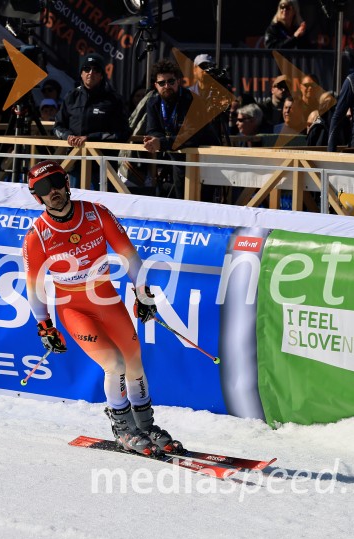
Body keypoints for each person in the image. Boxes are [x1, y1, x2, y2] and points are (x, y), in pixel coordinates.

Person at [21, 160, 181, 456]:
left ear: (67, 183)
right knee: (115, 365)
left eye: (56, 182)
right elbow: (35, 287)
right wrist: (44, 325)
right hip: (74, 309)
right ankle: (123, 429)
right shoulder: (37, 235)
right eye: (44, 188)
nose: (53, 191)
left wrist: (143, 293)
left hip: (107, 300)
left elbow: (129, 255)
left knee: (135, 364)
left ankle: (145, 426)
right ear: (37, 196)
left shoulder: (96, 213)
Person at [143, 58, 220, 197]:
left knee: (203, 204)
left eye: (171, 81)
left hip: (203, 159)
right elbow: (152, 130)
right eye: (162, 83)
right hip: (178, 156)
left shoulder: (193, 100)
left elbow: (192, 135)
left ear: (178, 81)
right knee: (180, 202)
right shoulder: (153, 102)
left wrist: (162, 143)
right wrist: (157, 141)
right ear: (156, 85)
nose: (167, 86)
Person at [53, 53, 129, 148]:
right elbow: (58, 127)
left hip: (102, 159)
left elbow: (123, 133)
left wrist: (90, 138)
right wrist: (68, 136)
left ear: (101, 75)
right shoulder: (71, 96)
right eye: (87, 69)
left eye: (96, 70)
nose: (91, 73)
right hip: (73, 158)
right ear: (81, 74)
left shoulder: (114, 99)